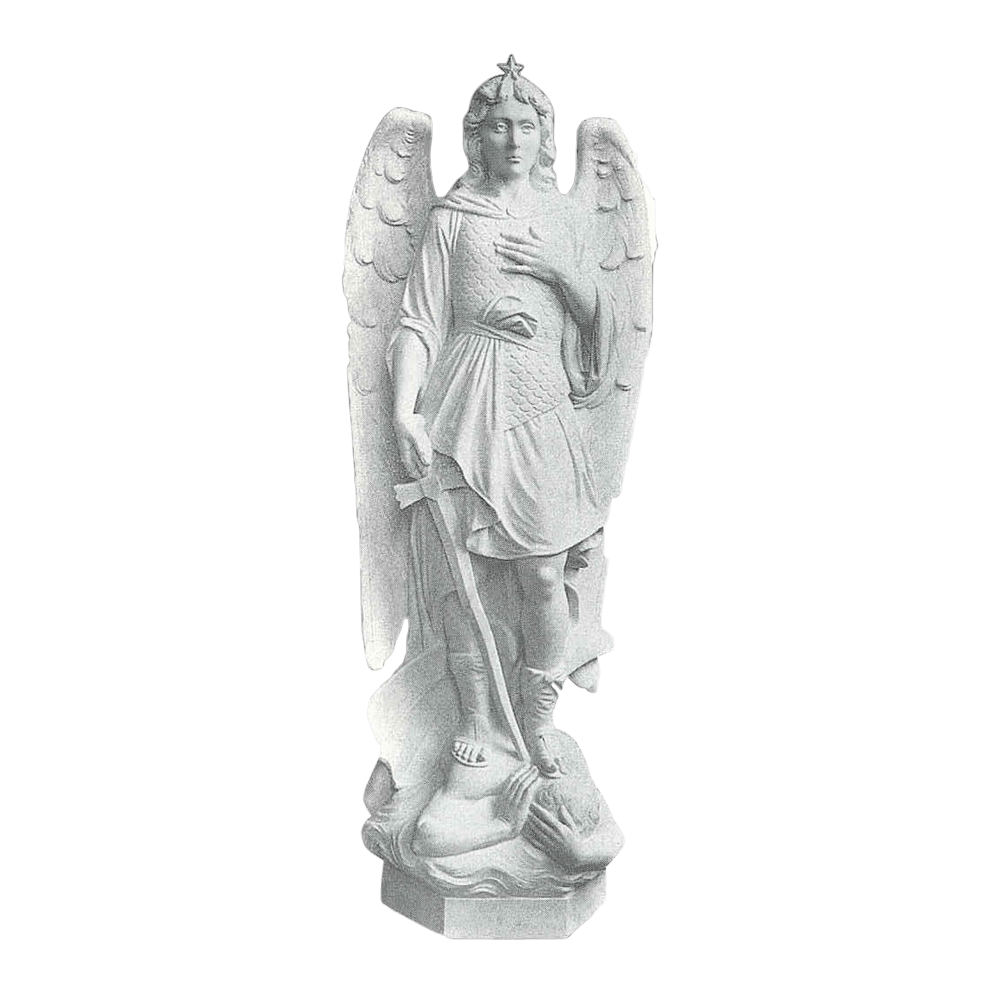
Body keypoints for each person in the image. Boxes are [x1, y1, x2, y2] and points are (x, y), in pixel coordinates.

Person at [389, 59, 615, 775]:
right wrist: (403, 412)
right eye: (498, 128)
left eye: (526, 127)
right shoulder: (451, 221)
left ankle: (538, 717)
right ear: (476, 138)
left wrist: (561, 271)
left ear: (542, 137)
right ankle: (478, 719)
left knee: (542, 572)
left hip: (539, 406)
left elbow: (603, 320)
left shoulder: (563, 219)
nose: (514, 140)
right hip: (462, 406)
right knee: (465, 581)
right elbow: (417, 322)